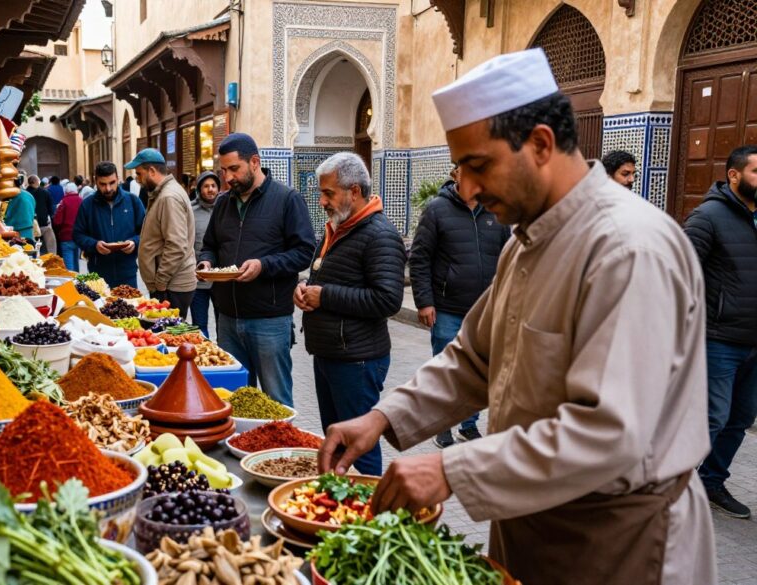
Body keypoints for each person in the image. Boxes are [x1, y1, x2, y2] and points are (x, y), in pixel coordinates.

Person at [318, 48, 715, 585]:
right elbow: (473, 359)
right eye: (460, 169)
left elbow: (611, 433)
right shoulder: (525, 243)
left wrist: (452, 468)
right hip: (527, 520)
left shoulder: (626, 249)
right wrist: (383, 418)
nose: (467, 188)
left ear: (541, 144)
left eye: (478, 166)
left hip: (616, 544)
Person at [294, 152, 405, 476]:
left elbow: (388, 300)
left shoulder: (380, 235)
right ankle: (337, 500)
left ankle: (368, 502)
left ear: (354, 191)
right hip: (331, 353)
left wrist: (324, 296)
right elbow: (325, 275)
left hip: (357, 360)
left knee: (359, 448)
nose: (322, 201)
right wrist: (304, 289)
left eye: (328, 193)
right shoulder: (339, 228)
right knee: (335, 440)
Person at [199, 133, 317, 407]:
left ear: (254, 162)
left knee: (276, 401)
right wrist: (206, 262)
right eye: (223, 170)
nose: (227, 178)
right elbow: (210, 245)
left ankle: (283, 438)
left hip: (269, 321)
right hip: (227, 318)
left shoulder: (287, 199)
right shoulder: (223, 203)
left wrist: (263, 266)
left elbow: (304, 252)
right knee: (235, 400)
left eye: (234, 169)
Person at [409, 165, 510, 448]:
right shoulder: (436, 210)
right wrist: (425, 302)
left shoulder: (496, 210)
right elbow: (420, 258)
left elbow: (509, 257)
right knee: (446, 369)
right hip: (447, 309)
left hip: (485, 310)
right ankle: (441, 426)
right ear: (456, 174)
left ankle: (468, 425)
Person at [683, 144, 757, 520]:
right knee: (712, 417)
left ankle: (711, 482)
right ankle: (671, 486)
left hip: (753, 342)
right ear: (734, 175)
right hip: (718, 339)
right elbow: (681, 274)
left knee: (740, 418)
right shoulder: (707, 216)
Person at [127, 149, 197, 314]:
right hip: (169, 283)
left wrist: (160, 283)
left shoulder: (168, 197)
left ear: (152, 171)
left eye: (139, 174)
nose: (138, 180)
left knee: (169, 329)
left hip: (171, 285)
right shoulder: (164, 193)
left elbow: (176, 245)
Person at [73, 161, 146, 287]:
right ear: (96, 181)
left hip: (127, 274)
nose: (108, 189)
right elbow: (77, 234)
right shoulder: (87, 205)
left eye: (112, 183)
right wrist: (95, 245)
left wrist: (134, 242)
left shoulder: (133, 201)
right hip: (97, 276)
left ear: (118, 179)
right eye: (103, 184)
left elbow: (146, 233)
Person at [191, 171, 220, 337]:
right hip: (199, 280)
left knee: (223, 324)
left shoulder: (226, 208)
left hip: (221, 280)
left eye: (213, 186)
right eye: (206, 186)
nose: (210, 189)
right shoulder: (190, 210)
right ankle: (202, 352)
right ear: (199, 189)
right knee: (199, 325)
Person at [53, 182, 83, 271]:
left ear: (66, 191)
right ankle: (77, 278)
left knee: (69, 266)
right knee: (76, 262)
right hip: (79, 236)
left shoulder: (64, 202)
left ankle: (71, 279)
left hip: (66, 236)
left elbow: (57, 221)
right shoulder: (81, 201)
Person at [28, 175, 56, 254]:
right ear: (37, 182)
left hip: (30, 226)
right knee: (49, 246)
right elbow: (51, 209)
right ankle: (51, 256)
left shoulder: (26, 193)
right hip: (43, 224)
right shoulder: (44, 192)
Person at [3, 174, 36, 241]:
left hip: (14, 234)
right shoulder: (29, 195)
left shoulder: (9, 197)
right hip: (29, 231)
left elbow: (5, 216)